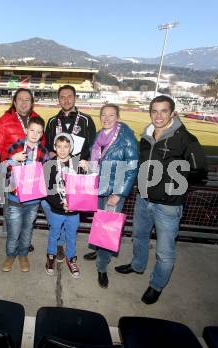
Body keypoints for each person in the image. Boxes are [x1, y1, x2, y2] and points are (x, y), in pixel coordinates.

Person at [115, 95, 208, 304]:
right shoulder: (146, 136)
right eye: (154, 111)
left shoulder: (186, 139)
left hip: (168, 205)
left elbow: (200, 170)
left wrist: (171, 183)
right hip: (143, 199)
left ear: (172, 113)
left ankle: (156, 285)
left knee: (165, 252)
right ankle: (137, 265)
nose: (158, 115)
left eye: (163, 111)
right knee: (139, 236)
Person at [81, 104, 139, 288]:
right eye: (103, 115)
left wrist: (119, 193)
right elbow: (98, 164)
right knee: (99, 224)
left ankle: (102, 267)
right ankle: (99, 252)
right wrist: (87, 166)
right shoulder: (100, 135)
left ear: (118, 117)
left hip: (114, 191)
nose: (106, 118)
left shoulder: (126, 137)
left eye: (111, 115)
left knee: (107, 230)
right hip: (99, 187)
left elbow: (131, 167)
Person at [44, 85, 97, 261]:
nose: (66, 100)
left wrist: (83, 166)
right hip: (58, 170)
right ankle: (57, 246)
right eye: (62, 97)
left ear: (75, 98)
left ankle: (69, 250)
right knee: (58, 209)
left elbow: (92, 148)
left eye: (69, 96)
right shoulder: (52, 121)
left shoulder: (86, 120)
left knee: (72, 214)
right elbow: (48, 147)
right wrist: (55, 160)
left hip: (77, 173)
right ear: (58, 99)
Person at [0, 88, 43, 250]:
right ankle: (12, 238)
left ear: (32, 102)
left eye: (27, 99)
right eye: (20, 99)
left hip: (31, 176)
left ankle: (24, 240)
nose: (23, 102)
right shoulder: (4, 121)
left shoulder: (37, 119)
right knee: (12, 211)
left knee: (29, 212)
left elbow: (43, 146)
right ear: (14, 102)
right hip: (11, 176)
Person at [2, 116, 49, 272]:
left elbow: (46, 175)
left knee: (27, 230)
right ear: (26, 130)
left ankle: (23, 254)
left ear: (42, 134)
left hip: (33, 201)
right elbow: (3, 170)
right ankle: (10, 255)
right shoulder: (15, 147)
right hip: (15, 199)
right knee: (13, 231)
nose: (35, 134)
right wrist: (12, 160)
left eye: (39, 132)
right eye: (32, 130)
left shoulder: (43, 152)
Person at [45, 133, 82, 278]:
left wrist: (88, 169)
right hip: (56, 210)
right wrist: (61, 204)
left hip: (74, 211)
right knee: (54, 234)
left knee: (71, 236)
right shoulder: (48, 165)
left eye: (66, 146)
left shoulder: (78, 164)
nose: (62, 150)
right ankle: (51, 256)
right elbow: (47, 190)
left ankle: (71, 259)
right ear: (55, 147)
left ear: (71, 148)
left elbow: (86, 188)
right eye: (59, 146)